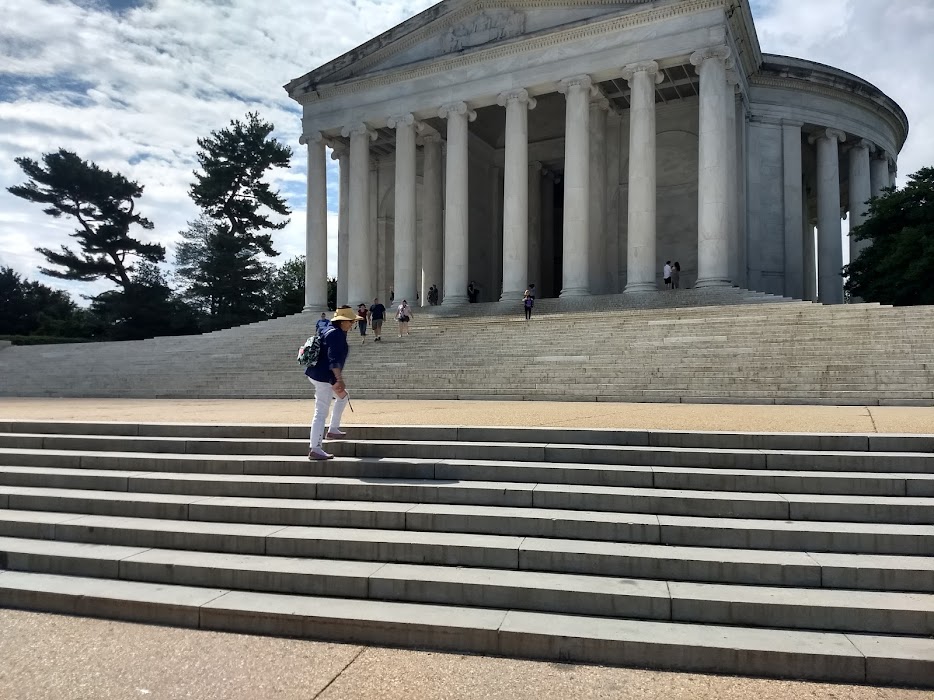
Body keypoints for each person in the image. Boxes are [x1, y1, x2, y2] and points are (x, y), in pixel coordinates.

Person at [304, 305, 362, 460]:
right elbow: (333, 358)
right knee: (321, 411)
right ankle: (315, 448)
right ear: (342, 322)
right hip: (325, 377)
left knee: (342, 397)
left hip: (318, 373)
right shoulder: (337, 335)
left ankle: (333, 429)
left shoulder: (328, 330)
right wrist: (338, 379)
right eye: (350, 321)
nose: (352, 324)